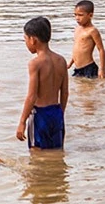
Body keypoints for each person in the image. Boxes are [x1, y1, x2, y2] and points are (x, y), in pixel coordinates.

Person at [16, 16, 69, 150]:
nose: (26, 42)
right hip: (56, 112)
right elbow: (65, 92)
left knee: (37, 155)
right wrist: (60, 114)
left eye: (25, 39)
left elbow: (32, 96)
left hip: (40, 115)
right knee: (56, 152)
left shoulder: (35, 63)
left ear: (33, 40)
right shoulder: (61, 60)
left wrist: (22, 122)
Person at [68, 0, 105, 79]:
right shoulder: (77, 29)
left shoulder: (92, 31)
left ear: (90, 15)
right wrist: (70, 63)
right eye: (75, 15)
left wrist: (102, 69)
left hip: (89, 68)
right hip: (78, 69)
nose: (77, 18)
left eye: (80, 15)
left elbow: (101, 49)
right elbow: (77, 50)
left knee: (89, 90)